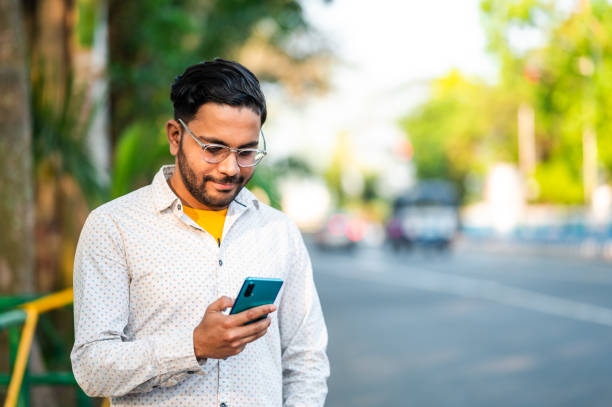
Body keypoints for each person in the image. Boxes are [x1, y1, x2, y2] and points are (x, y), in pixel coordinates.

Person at [71, 58, 329, 407]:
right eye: (214, 149)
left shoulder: (278, 232)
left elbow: (306, 359)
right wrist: (192, 346)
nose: (230, 167)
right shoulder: (114, 226)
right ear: (176, 137)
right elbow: (91, 369)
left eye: (247, 151)